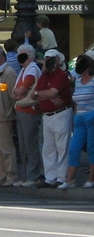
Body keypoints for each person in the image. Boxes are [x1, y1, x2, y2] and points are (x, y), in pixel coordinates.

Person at [30, 49, 73, 188]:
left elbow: (51, 92)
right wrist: (46, 95)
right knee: (48, 148)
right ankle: (50, 177)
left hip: (60, 114)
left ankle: (62, 178)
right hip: (47, 115)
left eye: (51, 59)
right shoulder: (44, 75)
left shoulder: (60, 75)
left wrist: (42, 94)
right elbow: (33, 94)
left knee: (62, 147)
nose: (48, 61)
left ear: (58, 61)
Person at [59, 54, 94, 189]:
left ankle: (91, 179)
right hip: (79, 117)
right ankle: (69, 180)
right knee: (74, 149)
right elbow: (76, 101)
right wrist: (75, 116)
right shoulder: (78, 82)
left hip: (91, 116)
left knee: (92, 148)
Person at [11, 44, 43, 188]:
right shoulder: (24, 70)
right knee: (23, 146)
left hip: (29, 110)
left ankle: (33, 176)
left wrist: (18, 92)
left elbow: (21, 89)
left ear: (30, 56)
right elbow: (15, 91)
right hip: (21, 109)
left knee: (30, 145)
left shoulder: (32, 70)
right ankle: (25, 176)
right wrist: (18, 92)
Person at [0, 44, 20, 187]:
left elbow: (13, 95)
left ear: (2, 57)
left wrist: (12, 112)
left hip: (4, 115)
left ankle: (11, 175)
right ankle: (1, 175)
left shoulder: (9, 72)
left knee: (6, 148)